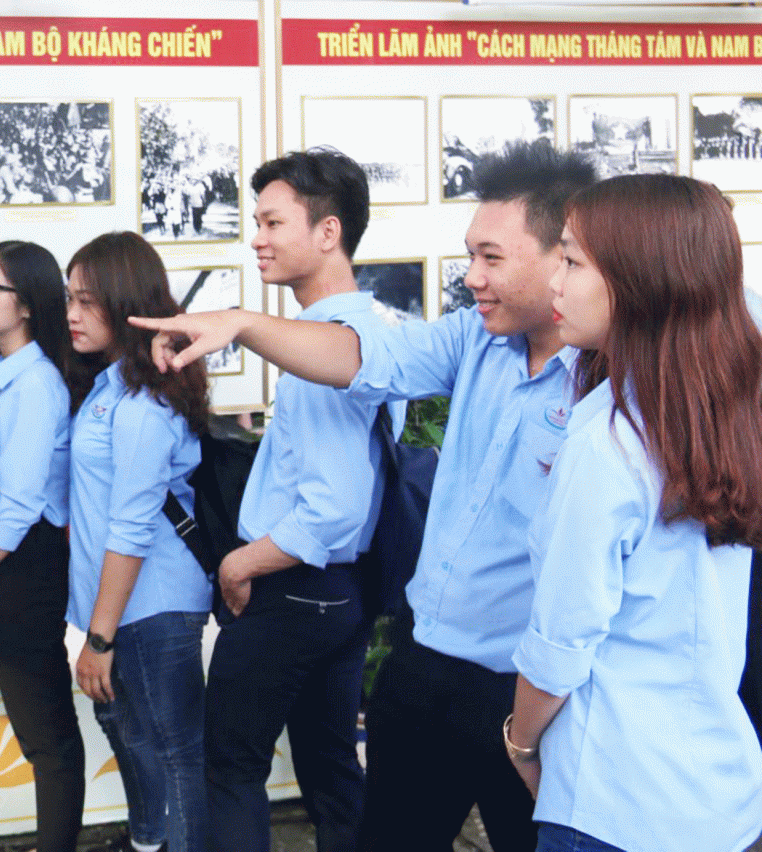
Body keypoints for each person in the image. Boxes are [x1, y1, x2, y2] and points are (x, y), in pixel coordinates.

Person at [130, 140, 598, 851]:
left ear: (562, 257)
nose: (472, 277)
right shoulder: (476, 340)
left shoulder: (611, 384)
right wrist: (243, 324)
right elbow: (361, 359)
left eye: (491, 258)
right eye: (470, 255)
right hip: (424, 662)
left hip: (523, 691)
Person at [507, 174, 762, 852]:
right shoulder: (729, 412)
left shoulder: (608, 443)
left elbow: (561, 645)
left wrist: (521, 743)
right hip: (719, 794)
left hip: (613, 797)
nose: (554, 281)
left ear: (640, 282)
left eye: (571, 261)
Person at [207, 148, 399, 852]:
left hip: (292, 589)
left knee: (231, 770)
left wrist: (240, 564)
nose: (257, 238)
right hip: (340, 592)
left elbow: (333, 507)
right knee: (331, 774)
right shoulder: (373, 329)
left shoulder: (322, 350)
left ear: (328, 232)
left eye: (272, 222)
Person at [64, 231, 213, 852]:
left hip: (152, 607)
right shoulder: (111, 388)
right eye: (69, 298)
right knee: (137, 742)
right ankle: (148, 843)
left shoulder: (143, 403)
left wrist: (99, 640)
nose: (72, 314)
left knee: (176, 758)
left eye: (87, 301)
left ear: (125, 304)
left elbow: (131, 528)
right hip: (124, 606)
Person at [0, 240, 84, 852]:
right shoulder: (8, 376)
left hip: (28, 564)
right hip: (13, 556)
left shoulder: (34, 385)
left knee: (47, 736)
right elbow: (2, 486)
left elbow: (24, 504)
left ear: (27, 304)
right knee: (41, 733)